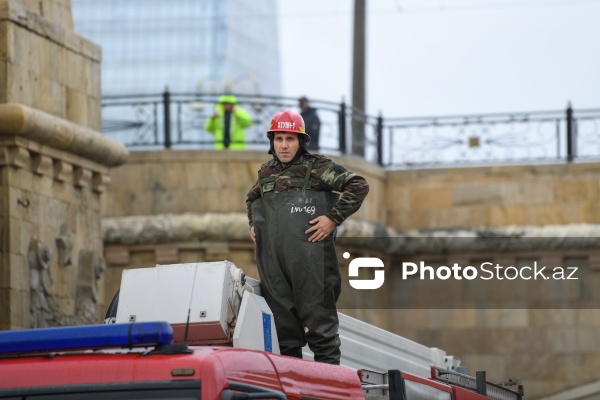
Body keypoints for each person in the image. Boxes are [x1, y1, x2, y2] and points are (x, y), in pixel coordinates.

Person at [245, 109, 369, 364]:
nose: (284, 145)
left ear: (301, 142)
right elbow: (252, 198)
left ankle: (329, 390)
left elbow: (358, 185)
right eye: (279, 139)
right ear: (272, 141)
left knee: (320, 331)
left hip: (312, 262)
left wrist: (333, 218)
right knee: (285, 334)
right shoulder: (266, 172)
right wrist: (253, 224)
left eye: (290, 139)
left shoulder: (318, 168)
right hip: (275, 263)